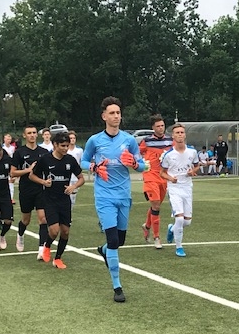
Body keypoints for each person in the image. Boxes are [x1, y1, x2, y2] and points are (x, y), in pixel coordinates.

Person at [81, 96, 147, 303]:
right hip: (104, 196)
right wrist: (94, 167)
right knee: (113, 241)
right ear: (104, 116)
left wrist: (134, 164)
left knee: (120, 241)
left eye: (118, 113)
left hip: (123, 195)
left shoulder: (129, 140)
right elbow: (83, 161)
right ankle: (117, 287)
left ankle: (103, 251)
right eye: (112, 113)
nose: (116, 116)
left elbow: (142, 165)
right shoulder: (95, 140)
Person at [29, 132, 85, 268]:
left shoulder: (70, 160)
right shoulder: (45, 159)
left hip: (64, 200)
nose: (65, 148)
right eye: (62, 146)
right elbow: (32, 176)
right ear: (55, 145)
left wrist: (73, 186)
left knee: (65, 231)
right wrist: (43, 182)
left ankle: (58, 258)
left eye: (67, 146)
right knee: (54, 231)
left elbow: (81, 178)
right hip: (49, 200)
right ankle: (47, 246)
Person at [160, 123, 200, 257]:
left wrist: (192, 171)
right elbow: (162, 173)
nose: (180, 135)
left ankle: (172, 229)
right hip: (174, 188)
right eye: (177, 133)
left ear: (185, 135)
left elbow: (196, 166)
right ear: (173, 136)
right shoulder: (168, 155)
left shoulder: (192, 152)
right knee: (179, 219)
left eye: (182, 132)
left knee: (187, 222)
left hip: (187, 187)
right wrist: (171, 179)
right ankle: (179, 247)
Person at [11, 125, 51, 256]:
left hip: (41, 188)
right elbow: (13, 172)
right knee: (26, 220)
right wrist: (28, 170)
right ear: (24, 135)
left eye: (34, 132)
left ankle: (41, 249)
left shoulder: (44, 152)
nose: (32, 135)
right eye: (29, 133)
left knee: (43, 219)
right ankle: (20, 234)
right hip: (26, 189)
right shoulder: (19, 152)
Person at [139, 114, 173, 249]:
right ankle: (157, 237)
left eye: (162, 125)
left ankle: (147, 226)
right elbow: (137, 153)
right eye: (158, 126)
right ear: (153, 127)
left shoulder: (170, 141)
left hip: (164, 177)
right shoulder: (146, 141)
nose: (161, 128)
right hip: (150, 176)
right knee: (156, 205)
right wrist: (141, 163)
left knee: (156, 205)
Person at [67, 130, 84, 208]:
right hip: (67, 175)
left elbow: (82, 161)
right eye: (71, 138)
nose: (72, 140)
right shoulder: (65, 150)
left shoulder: (79, 150)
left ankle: (70, 210)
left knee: (73, 197)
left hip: (75, 177)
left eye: (74, 138)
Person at [2, 133, 17, 204]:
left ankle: (11, 198)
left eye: (9, 139)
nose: (8, 140)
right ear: (4, 139)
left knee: (11, 181)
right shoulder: (1, 148)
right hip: (3, 166)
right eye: (7, 139)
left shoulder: (13, 148)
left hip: (11, 166)